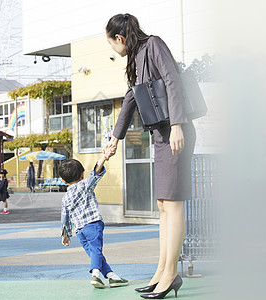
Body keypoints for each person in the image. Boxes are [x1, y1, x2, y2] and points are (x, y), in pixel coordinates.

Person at [104, 13, 195, 299]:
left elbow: (172, 81)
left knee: (174, 204)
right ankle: (161, 271)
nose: (114, 50)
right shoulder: (136, 58)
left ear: (119, 38)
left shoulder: (154, 45)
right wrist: (114, 140)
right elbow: (131, 99)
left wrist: (178, 124)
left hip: (175, 133)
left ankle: (171, 274)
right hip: (160, 136)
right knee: (163, 204)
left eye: (111, 44)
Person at [59, 155, 128, 289]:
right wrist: (104, 157)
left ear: (63, 181)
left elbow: (64, 217)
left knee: (95, 254)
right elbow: (96, 172)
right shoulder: (85, 185)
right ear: (82, 174)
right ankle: (95, 275)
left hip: (80, 231)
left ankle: (111, 276)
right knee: (96, 251)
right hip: (93, 224)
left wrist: (65, 234)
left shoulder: (65, 197)